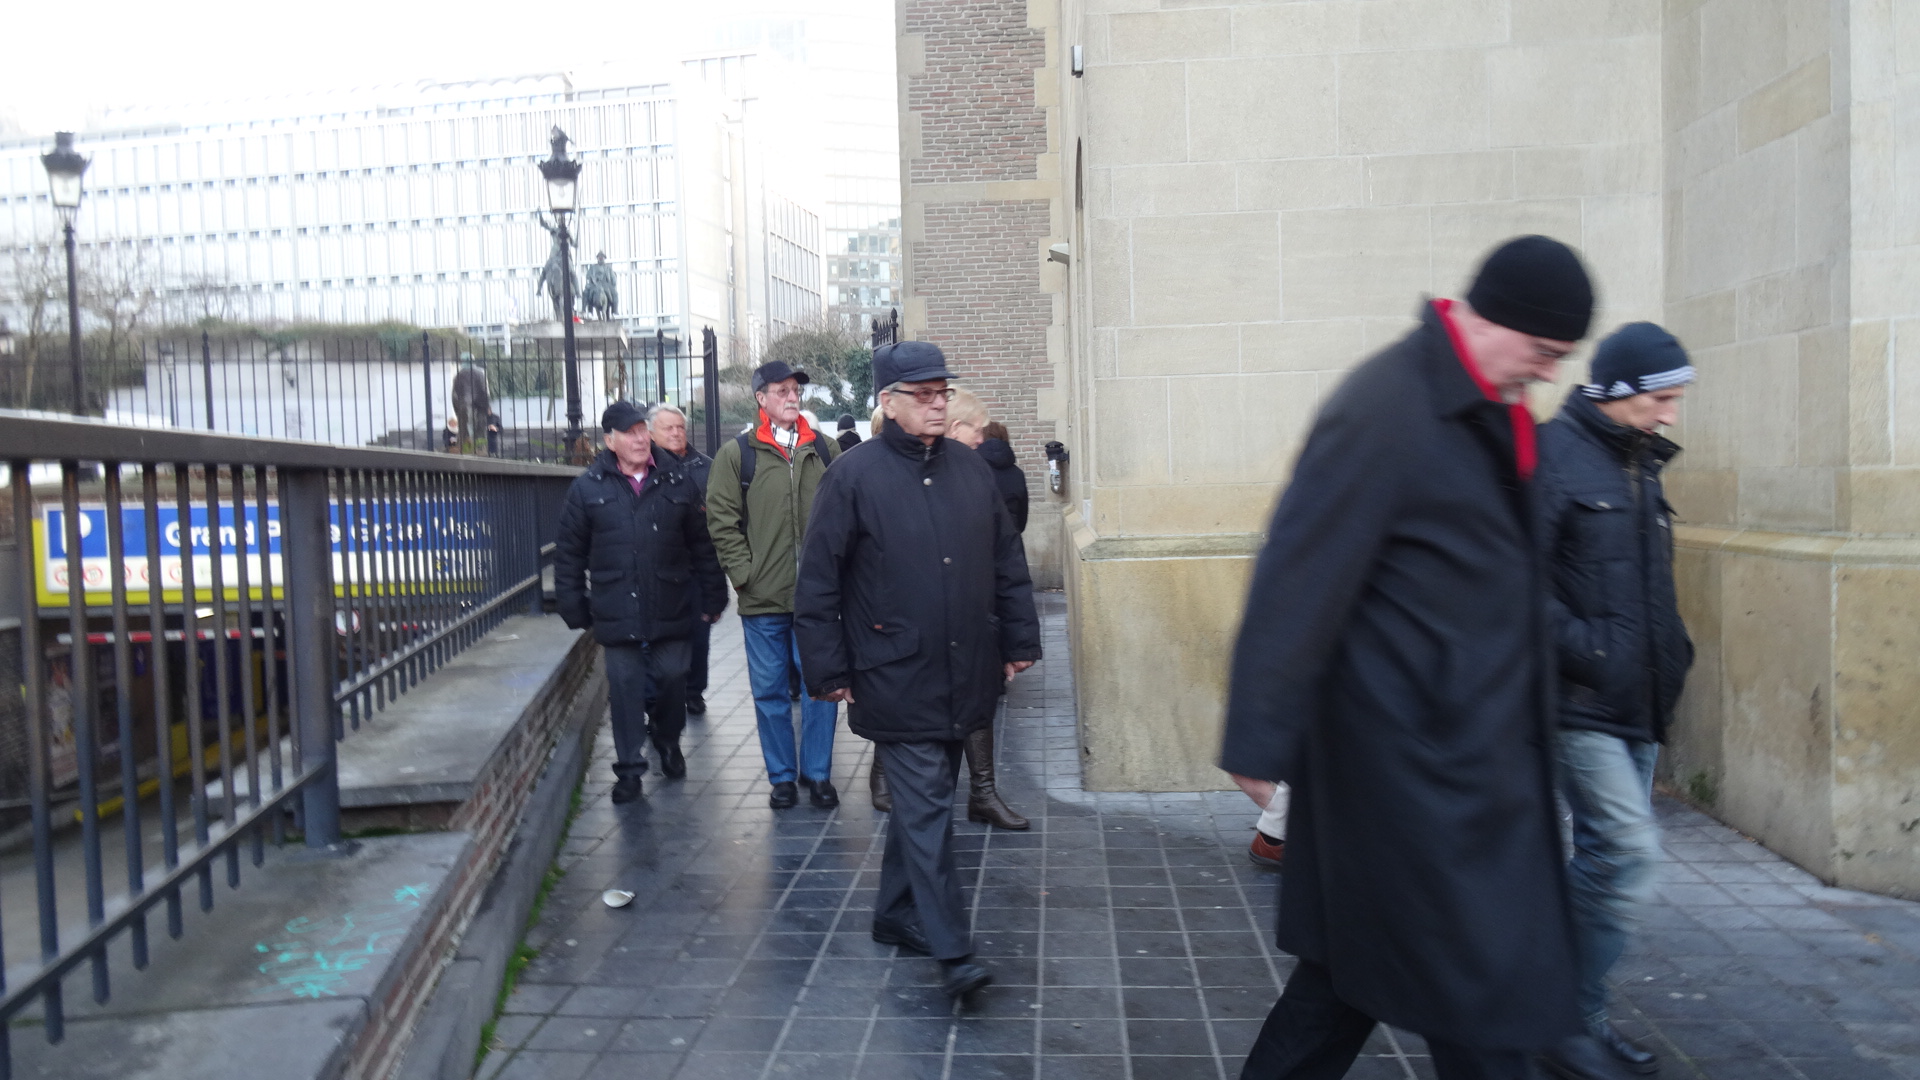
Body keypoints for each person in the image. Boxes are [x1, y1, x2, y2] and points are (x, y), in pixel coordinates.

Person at [1220, 235, 1597, 1080]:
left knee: (1351, 983)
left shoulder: (1489, 410)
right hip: (1412, 777)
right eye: (1543, 352)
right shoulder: (1386, 406)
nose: (1546, 375)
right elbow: (1298, 575)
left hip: (1466, 767)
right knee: (1474, 1000)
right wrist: (1256, 739)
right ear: (1492, 319)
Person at [796, 339, 1042, 999]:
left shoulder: (970, 470)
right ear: (888, 401)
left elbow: (1006, 561)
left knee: (923, 804)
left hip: (966, 666)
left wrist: (1018, 639)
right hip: (892, 672)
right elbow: (817, 580)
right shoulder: (852, 476)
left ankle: (895, 914)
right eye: (924, 395)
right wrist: (828, 670)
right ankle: (953, 950)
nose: (938, 405)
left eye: (942, 393)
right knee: (930, 807)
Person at [1533, 323, 1696, 1080]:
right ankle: (1550, 1015)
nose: (1671, 414)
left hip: (1640, 698)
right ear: (1620, 390)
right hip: (1577, 702)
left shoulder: (1640, 462)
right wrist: (1591, 650)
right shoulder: (1553, 456)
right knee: (1628, 855)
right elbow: (1516, 585)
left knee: (1606, 858)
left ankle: (1574, 1025)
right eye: (1662, 398)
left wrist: (1674, 652)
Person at [555, 401, 728, 804]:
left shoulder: (676, 481)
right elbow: (569, 554)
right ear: (610, 440)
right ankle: (630, 769)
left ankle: (667, 738)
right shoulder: (588, 488)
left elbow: (702, 545)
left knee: (673, 676)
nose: (638, 439)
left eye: (641, 431)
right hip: (616, 605)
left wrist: (714, 593)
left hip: (671, 601)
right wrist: (573, 604)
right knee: (625, 687)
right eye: (629, 433)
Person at [707, 361, 841, 810]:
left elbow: (845, 513)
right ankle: (782, 777)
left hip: (816, 597)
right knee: (769, 692)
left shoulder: (824, 449)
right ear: (761, 399)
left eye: (795, 390)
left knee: (821, 687)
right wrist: (744, 575)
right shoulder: (737, 455)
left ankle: (818, 773)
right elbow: (721, 519)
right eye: (781, 390)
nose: (792, 397)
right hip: (763, 597)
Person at [648, 403, 715, 716]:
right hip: (657, 569)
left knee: (699, 635)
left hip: (697, 568)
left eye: (680, 427)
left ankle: (694, 691)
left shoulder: (706, 467)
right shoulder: (644, 468)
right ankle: (656, 699)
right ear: (651, 433)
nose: (676, 433)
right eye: (668, 428)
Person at [976, 420, 1028, 534]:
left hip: (981, 538)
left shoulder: (971, 470)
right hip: (1011, 537)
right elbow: (1022, 519)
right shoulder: (1017, 473)